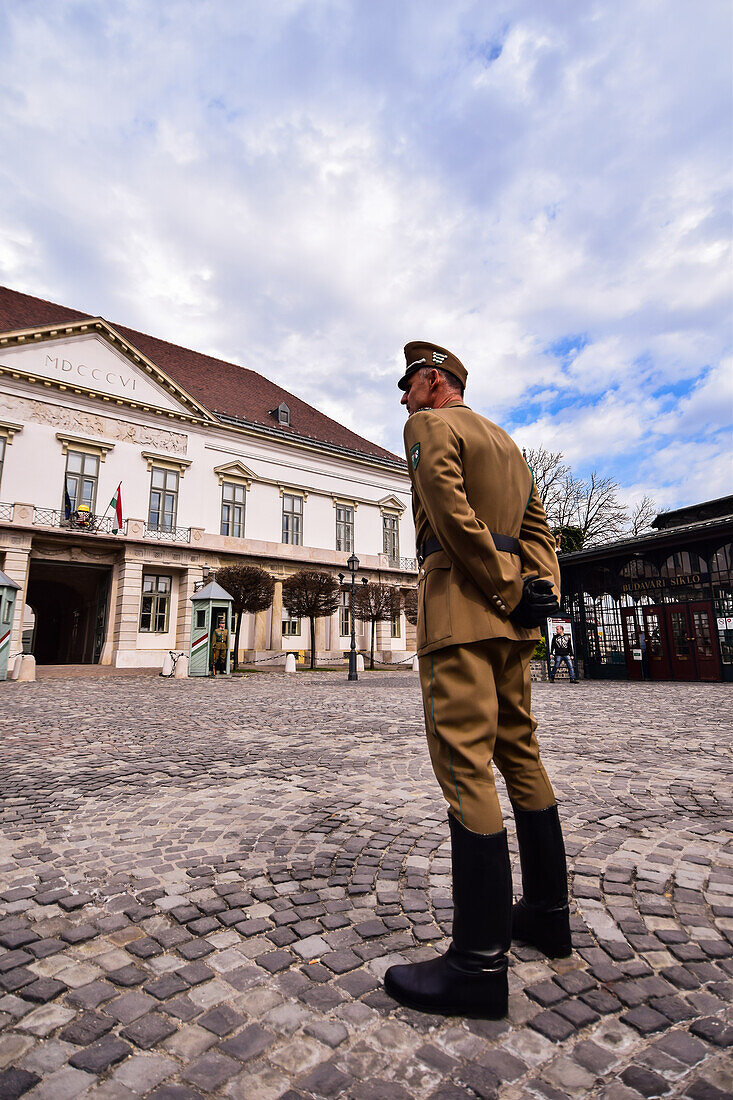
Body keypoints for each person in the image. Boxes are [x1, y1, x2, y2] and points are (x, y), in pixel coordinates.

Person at [384, 341, 572, 1020]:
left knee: (465, 765)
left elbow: (449, 511)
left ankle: (477, 964)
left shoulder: (430, 426)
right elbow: (538, 532)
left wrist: (498, 587)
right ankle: (548, 916)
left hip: (463, 612)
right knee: (520, 754)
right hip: (514, 623)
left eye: (407, 383)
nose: (401, 397)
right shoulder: (507, 441)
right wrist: (534, 594)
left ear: (434, 382)